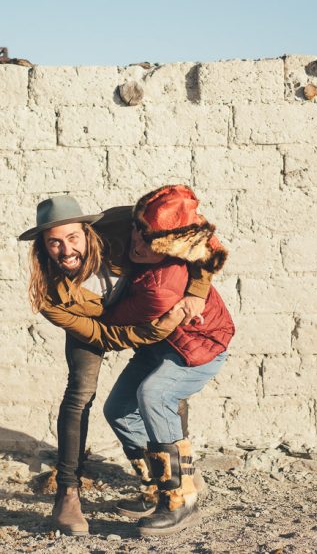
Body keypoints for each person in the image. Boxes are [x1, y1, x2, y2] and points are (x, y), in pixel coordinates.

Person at [19, 195, 212, 536]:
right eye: (54, 243)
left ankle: (180, 479)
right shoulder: (51, 295)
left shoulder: (125, 225)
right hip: (105, 324)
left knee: (163, 383)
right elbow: (102, 336)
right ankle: (68, 494)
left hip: (145, 304)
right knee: (79, 394)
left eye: (72, 238)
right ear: (43, 248)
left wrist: (196, 290)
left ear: (87, 230)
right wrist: (154, 329)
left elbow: (198, 237)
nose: (66, 251)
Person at [71, 185, 234, 536]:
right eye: (138, 232)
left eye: (150, 244)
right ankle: (161, 483)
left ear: (170, 248)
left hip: (198, 347)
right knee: (118, 411)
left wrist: (70, 308)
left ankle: (179, 501)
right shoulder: (132, 223)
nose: (138, 244)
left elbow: (113, 319)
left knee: (154, 395)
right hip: (158, 346)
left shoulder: (160, 289)